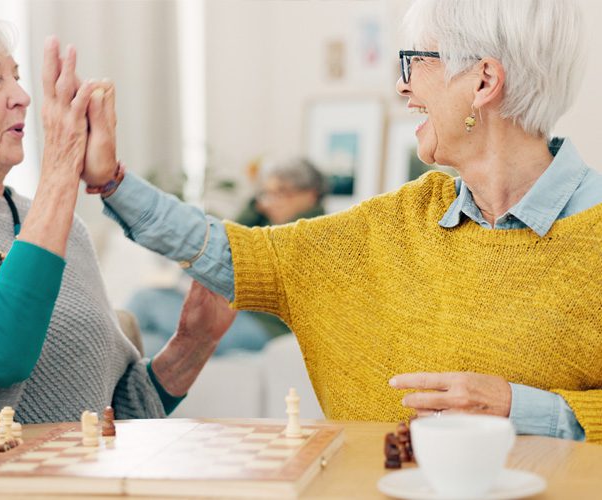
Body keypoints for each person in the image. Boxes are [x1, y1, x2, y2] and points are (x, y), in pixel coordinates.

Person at [83, 0, 602, 442]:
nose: (402, 87)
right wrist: (112, 183)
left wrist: (524, 408)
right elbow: (236, 252)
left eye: (414, 61)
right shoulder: (400, 220)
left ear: (483, 81)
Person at [0, 10, 235, 428]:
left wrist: (194, 342)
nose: (22, 95)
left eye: (16, 76)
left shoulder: (64, 228)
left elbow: (113, 420)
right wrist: (61, 165)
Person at [127, 158, 326, 356]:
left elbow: (227, 255)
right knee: (151, 344)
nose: (271, 202)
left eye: (282, 193)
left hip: (264, 327)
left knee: (145, 301)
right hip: (240, 315)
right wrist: (254, 207)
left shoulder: (313, 235)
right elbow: (226, 238)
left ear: (311, 195)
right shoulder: (270, 225)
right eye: (267, 194)